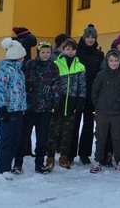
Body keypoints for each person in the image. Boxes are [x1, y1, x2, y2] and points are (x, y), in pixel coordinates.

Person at [13, 40, 61, 175]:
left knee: (42, 138)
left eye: (48, 52)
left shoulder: (53, 67)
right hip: (29, 108)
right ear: (38, 52)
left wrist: (55, 103)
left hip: (45, 109)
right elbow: (20, 83)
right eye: (43, 52)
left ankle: (39, 163)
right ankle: (18, 163)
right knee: (24, 137)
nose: (45, 55)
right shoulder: (29, 65)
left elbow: (56, 86)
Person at [45, 38, 86, 171]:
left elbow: (82, 86)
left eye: (72, 49)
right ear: (63, 49)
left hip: (72, 102)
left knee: (68, 132)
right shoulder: (56, 63)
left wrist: (80, 101)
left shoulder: (80, 66)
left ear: (75, 51)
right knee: (53, 132)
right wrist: (52, 100)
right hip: (58, 102)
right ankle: (50, 156)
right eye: (67, 49)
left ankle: (64, 156)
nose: (70, 51)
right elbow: (52, 84)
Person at [90, 49, 120, 173]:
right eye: (111, 60)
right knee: (101, 137)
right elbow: (94, 92)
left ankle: (119, 160)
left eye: (116, 60)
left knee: (117, 137)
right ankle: (98, 160)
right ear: (107, 61)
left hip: (118, 112)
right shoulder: (101, 75)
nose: (113, 63)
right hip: (102, 112)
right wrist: (99, 105)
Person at [70, 25, 104, 166]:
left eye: (93, 37)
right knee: (74, 124)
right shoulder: (77, 52)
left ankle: (84, 154)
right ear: (84, 38)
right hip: (77, 94)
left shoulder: (99, 54)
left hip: (91, 95)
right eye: (88, 37)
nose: (90, 39)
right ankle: (70, 153)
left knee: (88, 125)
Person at [0, 38, 27, 179]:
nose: (24, 58)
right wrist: (2, 108)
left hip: (18, 109)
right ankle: (3, 167)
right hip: (7, 110)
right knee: (6, 138)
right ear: (17, 56)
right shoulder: (4, 69)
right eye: (22, 55)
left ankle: (9, 163)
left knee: (16, 138)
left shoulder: (19, 70)